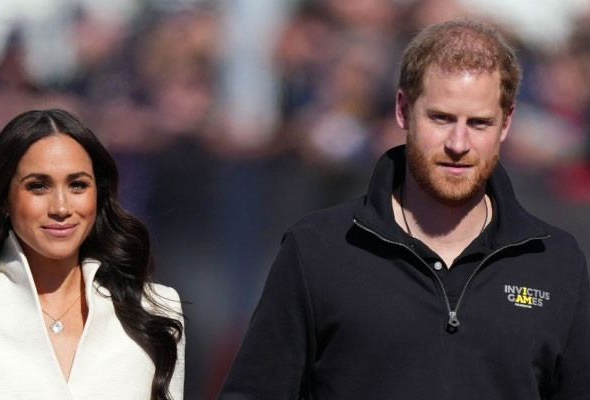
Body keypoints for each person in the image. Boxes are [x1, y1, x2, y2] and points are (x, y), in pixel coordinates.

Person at [218, 20, 590, 399]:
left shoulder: (555, 263)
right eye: (441, 118)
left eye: (479, 123)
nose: (458, 143)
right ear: (403, 110)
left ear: (506, 123)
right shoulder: (317, 249)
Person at [0, 109, 185, 400]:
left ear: (97, 195)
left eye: (77, 185)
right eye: (38, 186)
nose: (61, 207)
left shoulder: (155, 310)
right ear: (3, 200)